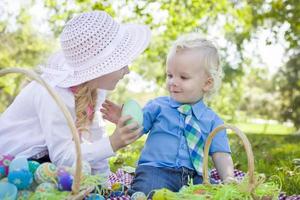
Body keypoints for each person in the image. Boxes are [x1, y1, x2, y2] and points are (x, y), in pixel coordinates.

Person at [0, 11, 151, 176]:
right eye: (122, 64)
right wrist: (113, 143)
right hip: (15, 162)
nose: (128, 70)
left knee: (82, 173)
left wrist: (104, 181)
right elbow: (62, 156)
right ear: (101, 68)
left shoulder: (95, 88)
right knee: (68, 175)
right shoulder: (54, 94)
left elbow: (96, 136)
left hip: (44, 158)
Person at [101, 33, 235, 195]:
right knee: (147, 191)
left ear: (207, 83)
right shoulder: (158, 106)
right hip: (156, 170)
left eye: (183, 77)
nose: (173, 82)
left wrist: (228, 178)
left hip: (195, 177)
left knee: (213, 194)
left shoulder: (213, 121)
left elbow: (221, 154)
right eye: (170, 75)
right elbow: (136, 129)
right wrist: (124, 121)